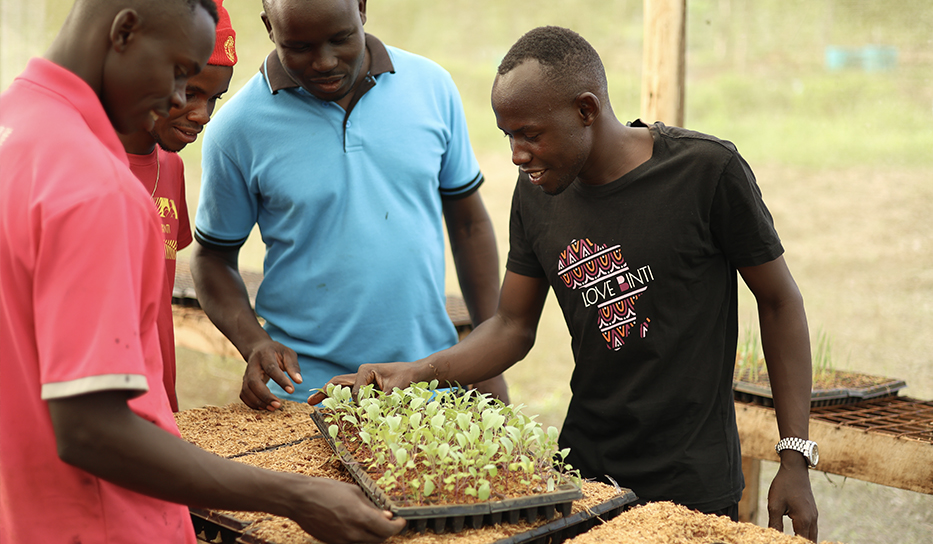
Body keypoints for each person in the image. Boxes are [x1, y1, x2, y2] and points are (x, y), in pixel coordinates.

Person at [312, 26, 821, 541]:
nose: (516, 153)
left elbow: (779, 302)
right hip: (584, 477)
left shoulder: (706, 173)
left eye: (530, 134)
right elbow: (511, 325)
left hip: (693, 481)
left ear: (586, 109)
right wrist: (414, 374)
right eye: (508, 135)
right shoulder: (537, 194)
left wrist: (794, 456)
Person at [0, 0, 404, 542]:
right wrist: (294, 494)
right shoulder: (95, 184)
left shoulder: (16, 130)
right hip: (110, 520)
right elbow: (92, 428)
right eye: (178, 74)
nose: (177, 102)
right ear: (125, 32)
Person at [190, 0, 505, 412]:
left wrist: (486, 357)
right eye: (298, 46)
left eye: (340, 37)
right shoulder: (237, 128)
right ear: (268, 28)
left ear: (361, 9)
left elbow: (470, 225)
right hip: (306, 395)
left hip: (429, 383)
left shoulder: (431, 86)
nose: (324, 62)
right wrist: (253, 342)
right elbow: (212, 260)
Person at [121, 0, 237, 412]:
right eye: (190, 93)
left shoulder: (170, 166)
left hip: (159, 402)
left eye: (215, 98)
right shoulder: (86, 166)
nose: (204, 115)